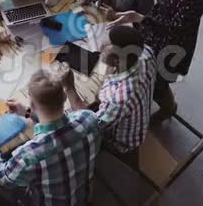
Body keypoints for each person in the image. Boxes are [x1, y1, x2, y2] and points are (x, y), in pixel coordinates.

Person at [0, 70, 101, 206]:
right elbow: (61, 119)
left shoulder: (29, 155)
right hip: (83, 197)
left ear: (32, 104)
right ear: (64, 97)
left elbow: (1, 177)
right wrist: (27, 113)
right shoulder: (89, 119)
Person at [64, 26, 156, 168]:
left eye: (103, 48)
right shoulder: (146, 53)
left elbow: (87, 126)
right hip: (136, 115)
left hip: (121, 142)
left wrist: (69, 87)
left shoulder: (118, 99)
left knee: (68, 134)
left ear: (117, 62)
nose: (99, 47)